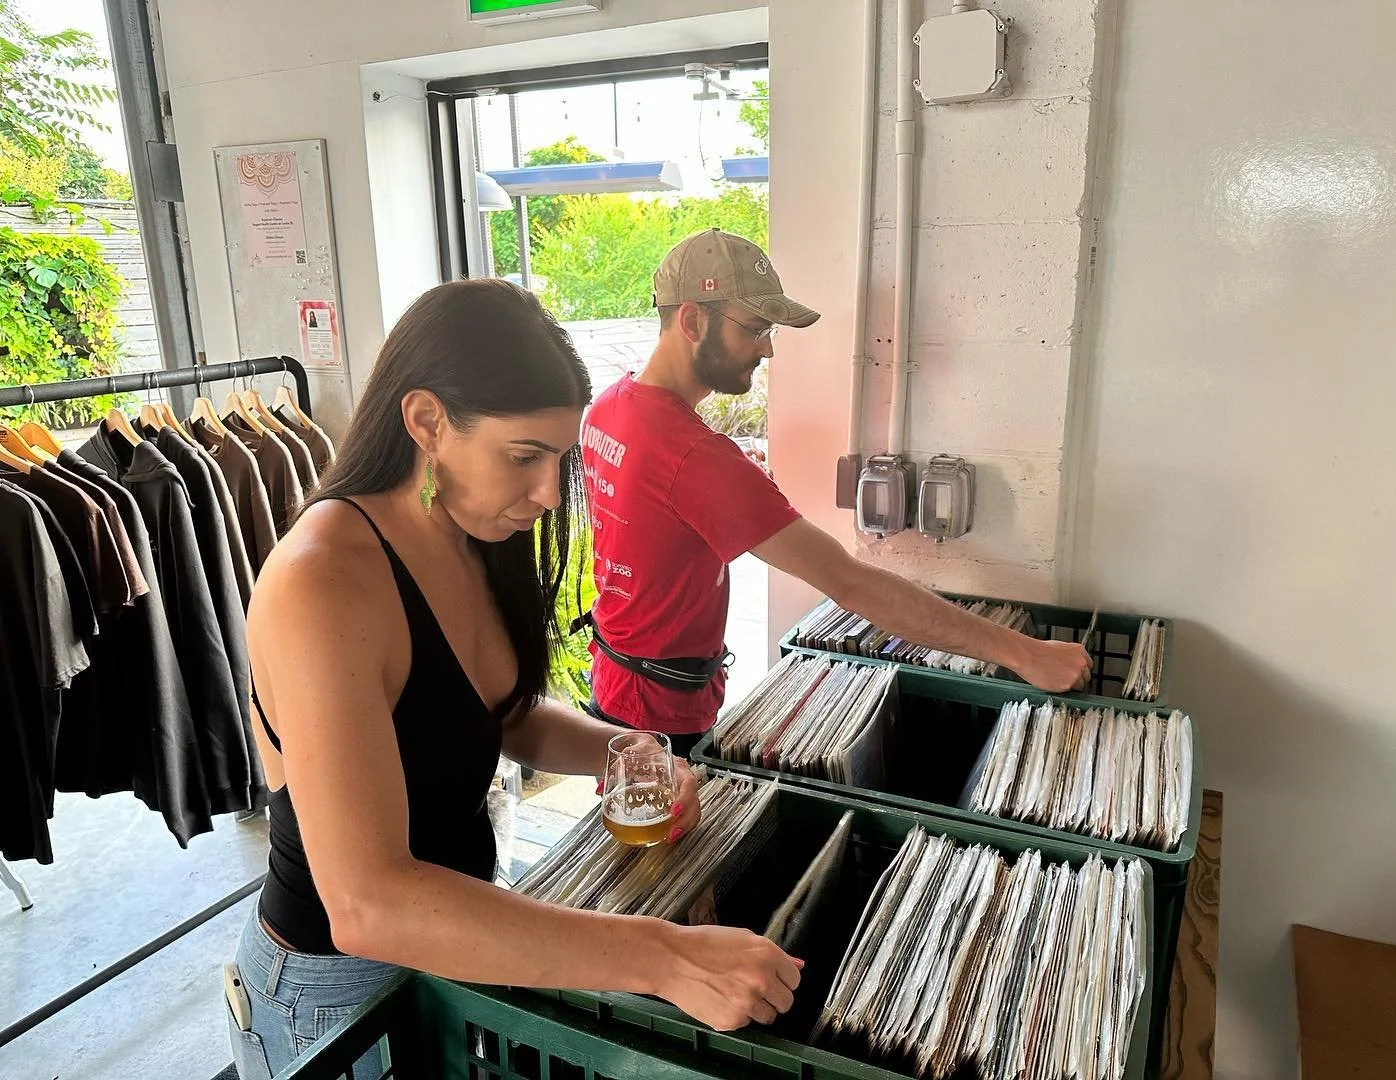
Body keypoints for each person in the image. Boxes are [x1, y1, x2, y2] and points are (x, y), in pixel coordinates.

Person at [231, 280, 802, 1080]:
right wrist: (664, 958)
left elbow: (498, 712)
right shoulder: (323, 581)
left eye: (559, 458)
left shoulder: (466, 526)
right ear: (427, 422)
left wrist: (628, 749)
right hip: (341, 996)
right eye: (524, 456)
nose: (546, 492)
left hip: (458, 947)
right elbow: (368, 904)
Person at [579, 229, 1092, 755]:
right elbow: (852, 585)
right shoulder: (696, 457)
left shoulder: (609, 408)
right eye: (755, 329)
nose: (768, 349)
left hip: (615, 680)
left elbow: (650, 518)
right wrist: (1024, 652)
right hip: (661, 715)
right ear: (691, 320)